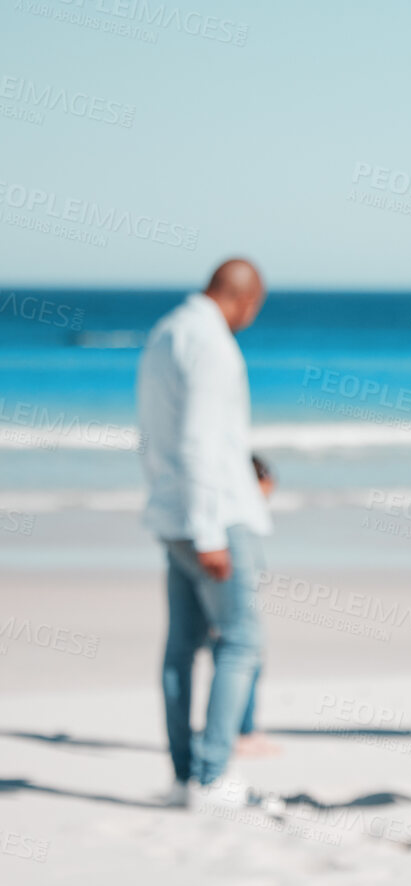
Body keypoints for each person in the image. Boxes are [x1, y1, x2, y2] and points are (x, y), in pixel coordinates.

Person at [137, 258, 271, 808]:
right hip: (212, 518)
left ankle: (182, 776)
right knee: (240, 642)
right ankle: (213, 778)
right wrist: (209, 532)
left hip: (172, 515)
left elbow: (150, 434)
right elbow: (198, 442)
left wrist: (180, 516)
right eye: (255, 309)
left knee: (181, 650)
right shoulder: (211, 342)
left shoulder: (166, 330)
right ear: (243, 298)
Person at [232, 454, 281, 759]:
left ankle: (244, 729)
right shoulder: (243, 518)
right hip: (236, 596)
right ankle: (243, 731)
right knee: (245, 658)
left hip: (240, 594)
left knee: (246, 659)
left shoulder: (247, 515)